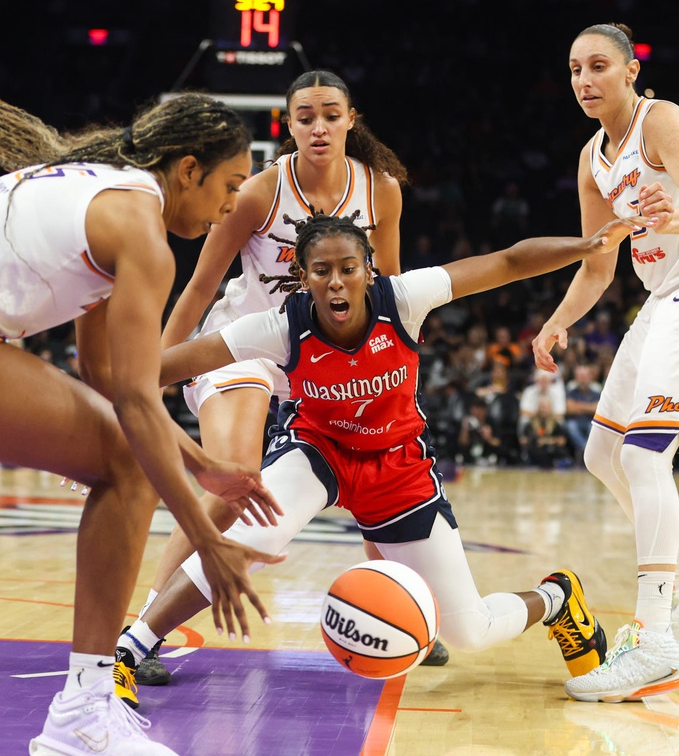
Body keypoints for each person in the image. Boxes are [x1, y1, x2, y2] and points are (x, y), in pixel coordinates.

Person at [0, 77, 286, 756]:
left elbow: (108, 376)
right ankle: (84, 718)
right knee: (125, 463)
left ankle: (84, 719)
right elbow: (135, 404)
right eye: (229, 184)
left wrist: (200, 460)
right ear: (187, 171)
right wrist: (203, 539)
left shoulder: (99, 187)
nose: (231, 204)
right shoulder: (142, 233)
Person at [113, 211, 649, 708]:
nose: (337, 281)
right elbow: (162, 367)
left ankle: (557, 599)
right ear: (303, 276)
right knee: (254, 529)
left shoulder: (405, 299)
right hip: (318, 451)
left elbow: (507, 261)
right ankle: (129, 651)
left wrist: (586, 245)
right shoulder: (280, 326)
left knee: (469, 631)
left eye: (349, 267)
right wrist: (102, 412)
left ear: (368, 270)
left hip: (397, 467)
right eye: (322, 270)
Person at [128, 69, 452, 683]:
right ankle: (144, 626)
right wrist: (149, 380)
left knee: (374, 469)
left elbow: (389, 286)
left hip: (332, 354)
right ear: (289, 126)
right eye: (306, 117)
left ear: (351, 119)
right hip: (248, 345)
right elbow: (199, 286)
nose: (319, 126)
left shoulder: (381, 189)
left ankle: (399, 609)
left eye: (331, 114)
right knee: (237, 478)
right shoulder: (258, 193)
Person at [532, 23, 679, 703]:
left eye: (599, 66)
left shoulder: (662, 120)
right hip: (667, 299)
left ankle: (657, 640)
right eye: (575, 69)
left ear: (631, 71)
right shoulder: (591, 158)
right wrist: (557, 321)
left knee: (641, 455)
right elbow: (599, 262)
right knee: (602, 454)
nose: (585, 80)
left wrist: (672, 213)